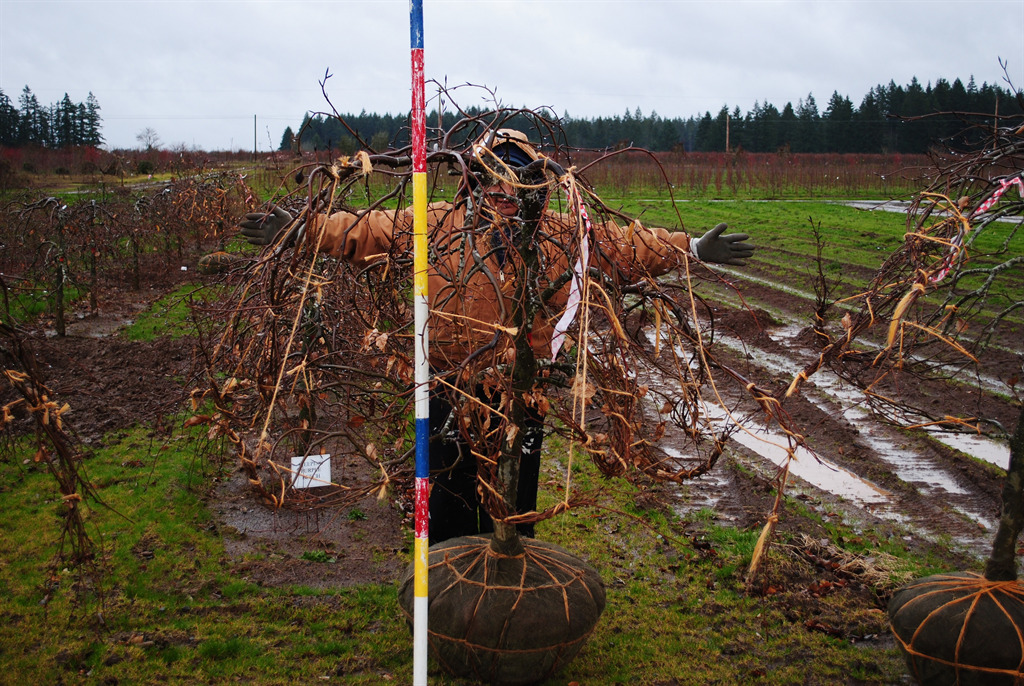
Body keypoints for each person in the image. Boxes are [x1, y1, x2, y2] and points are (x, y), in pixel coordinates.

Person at [240, 128, 754, 543]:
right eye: (491, 178)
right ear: (474, 181)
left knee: (515, 501)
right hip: (448, 387)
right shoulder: (434, 225)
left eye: (515, 180)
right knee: (450, 500)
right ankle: (450, 594)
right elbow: (365, 230)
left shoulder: (556, 232)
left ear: (533, 184)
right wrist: (305, 230)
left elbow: (622, 247)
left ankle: (510, 583)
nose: (503, 192)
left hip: (521, 392)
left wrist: (689, 249)